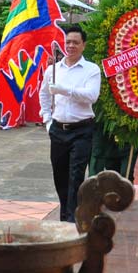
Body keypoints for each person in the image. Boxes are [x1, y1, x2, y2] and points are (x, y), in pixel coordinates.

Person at [39, 25, 100, 223]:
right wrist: (47, 119)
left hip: (81, 130)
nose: (71, 46)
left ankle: (71, 220)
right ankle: (65, 213)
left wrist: (64, 90)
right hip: (58, 129)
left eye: (75, 42)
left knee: (76, 176)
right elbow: (44, 94)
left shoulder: (91, 69)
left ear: (84, 45)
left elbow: (91, 96)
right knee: (60, 175)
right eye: (68, 42)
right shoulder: (53, 70)